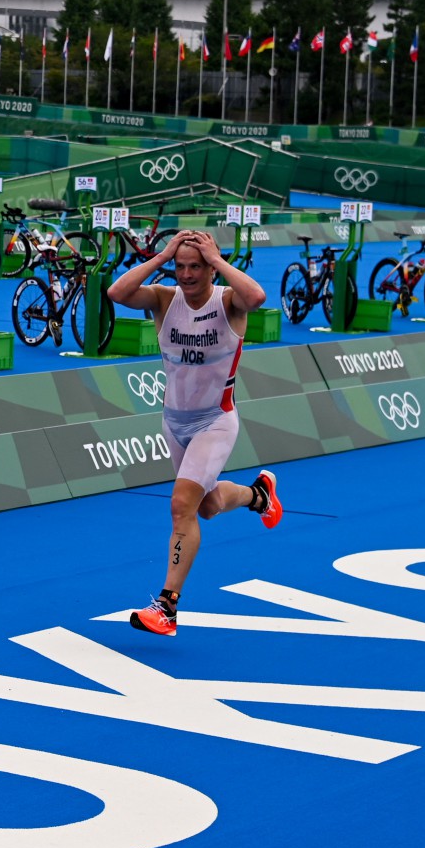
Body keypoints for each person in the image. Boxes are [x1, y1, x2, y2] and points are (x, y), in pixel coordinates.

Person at [109, 229, 282, 637]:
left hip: (215, 421)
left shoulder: (228, 302)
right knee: (206, 506)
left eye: (194, 267)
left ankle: (166, 606)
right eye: (180, 267)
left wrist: (218, 260)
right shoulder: (164, 300)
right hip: (173, 422)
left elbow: (257, 297)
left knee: (181, 506)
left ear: (209, 267)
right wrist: (163, 254)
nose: (186, 275)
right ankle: (259, 495)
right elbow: (118, 292)